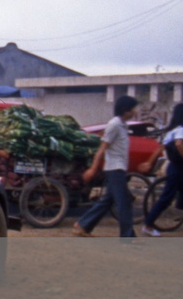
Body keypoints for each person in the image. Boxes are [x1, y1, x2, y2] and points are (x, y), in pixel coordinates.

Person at [73, 95, 139, 238]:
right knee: (123, 203)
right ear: (125, 110)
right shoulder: (114, 125)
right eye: (133, 109)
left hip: (118, 168)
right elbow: (103, 147)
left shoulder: (122, 125)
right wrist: (93, 168)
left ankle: (83, 225)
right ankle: (128, 237)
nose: (135, 111)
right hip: (115, 169)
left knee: (107, 201)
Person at [138, 103, 183, 237]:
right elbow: (179, 144)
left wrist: (149, 163)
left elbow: (159, 148)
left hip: (174, 167)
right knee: (166, 197)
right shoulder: (181, 129)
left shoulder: (171, 130)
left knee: (172, 195)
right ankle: (148, 224)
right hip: (179, 168)